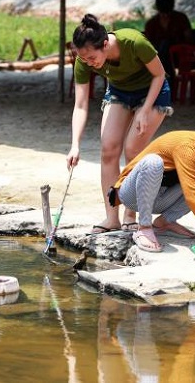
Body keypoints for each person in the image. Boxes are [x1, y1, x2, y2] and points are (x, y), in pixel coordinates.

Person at [67, 13, 173, 234]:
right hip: (119, 91)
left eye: (92, 58)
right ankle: (111, 216)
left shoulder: (134, 42)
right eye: (83, 59)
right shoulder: (83, 60)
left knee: (133, 148)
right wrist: (75, 144)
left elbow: (159, 74)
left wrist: (145, 110)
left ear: (105, 44)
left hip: (152, 91)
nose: (88, 63)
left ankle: (130, 214)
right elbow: (80, 105)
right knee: (108, 149)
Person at [109, 117, 195, 253]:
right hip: (132, 195)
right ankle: (144, 227)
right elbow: (192, 194)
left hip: (160, 197)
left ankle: (164, 222)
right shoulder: (187, 146)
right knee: (153, 162)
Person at [143, 0, 193, 92]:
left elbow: (189, 38)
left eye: (167, 13)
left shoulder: (180, 19)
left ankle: (164, 83)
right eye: (163, 13)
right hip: (158, 56)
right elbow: (147, 44)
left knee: (166, 48)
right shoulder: (152, 23)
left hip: (179, 56)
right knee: (163, 49)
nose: (165, 16)